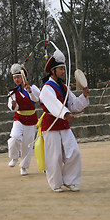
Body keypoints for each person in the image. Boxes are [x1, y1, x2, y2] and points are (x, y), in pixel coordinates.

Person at [39, 49, 90, 192]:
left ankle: (70, 180)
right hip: (51, 125)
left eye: (64, 68)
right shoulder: (46, 88)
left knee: (74, 151)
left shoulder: (64, 87)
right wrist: (66, 114)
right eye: (61, 69)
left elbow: (73, 104)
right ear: (52, 71)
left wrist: (84, 96)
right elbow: (53, 104)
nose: (63, 71)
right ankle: (55, 184)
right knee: (55, 156)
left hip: (63, 124)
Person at [7, 63, 40, 176]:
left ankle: (24, 167)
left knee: (27, 144)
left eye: (18, 77)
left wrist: (30, 91)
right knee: (14, 138)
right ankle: (14, 157)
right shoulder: (13, 92)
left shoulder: (33, 87)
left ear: (23, 77)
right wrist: (14, 105)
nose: (17, 79)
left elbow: (37, 99)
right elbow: (13, 108)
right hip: (19, 118)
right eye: (15, 77)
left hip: (31, 119)